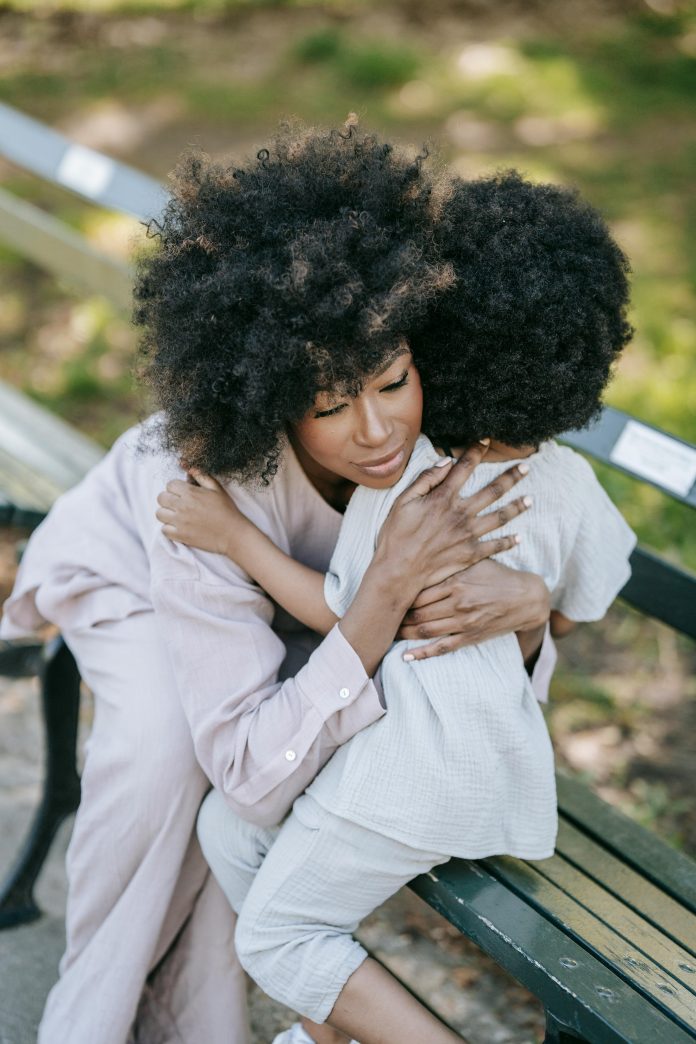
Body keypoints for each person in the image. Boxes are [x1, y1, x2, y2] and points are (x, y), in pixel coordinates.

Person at [0, 126, 552, 1044]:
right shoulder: (204, 485)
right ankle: (89, 1018)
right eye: (329, 406)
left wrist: (530, 616)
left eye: (391, 381)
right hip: (142, 567)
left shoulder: (451, 435)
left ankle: (201, 1019)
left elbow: (482, 640)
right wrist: (383, 597)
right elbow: (249, 775)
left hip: (287, 607)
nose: (376, 430)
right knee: (161, 754)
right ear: (266, 394)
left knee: (282, 744)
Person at [158, 172, 636, 1044]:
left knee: (277, 937)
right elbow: (584, 604)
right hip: (494, 777)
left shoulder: (415, 488)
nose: (375, 430)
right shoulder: (575, 485)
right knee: (229, 829)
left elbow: (340, 609)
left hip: (405, 779)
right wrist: (538, 603)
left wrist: (236, 540)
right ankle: (323, 1031)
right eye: (335, 405)